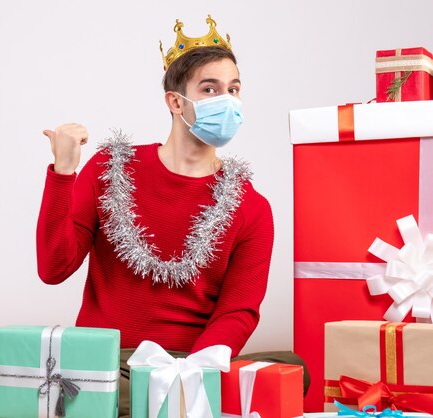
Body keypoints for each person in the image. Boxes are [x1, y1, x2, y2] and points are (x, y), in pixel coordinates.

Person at [37, 15, 308, 417]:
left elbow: (239, 310)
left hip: (196, 360)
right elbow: (54, 267)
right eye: (211, 89)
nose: (228, 101)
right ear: (176, 101)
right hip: (112, 362)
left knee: (292, 370)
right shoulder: (111, 168)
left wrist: (188, 375)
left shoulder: (253, 207)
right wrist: (63, 172)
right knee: (108, 393)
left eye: (234, 90)